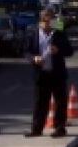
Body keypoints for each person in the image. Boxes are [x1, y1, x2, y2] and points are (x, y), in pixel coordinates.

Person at [26, 8, 75, 138]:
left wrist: (58, 49)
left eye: (50, 20)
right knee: (40, 102)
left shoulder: (59, 33)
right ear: (40, 21)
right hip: (41, 74)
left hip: (57, 74)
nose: (47, 23)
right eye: (45, 20)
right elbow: (27, 52)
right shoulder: (33, 33)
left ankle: (59, 128)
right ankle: (36, 129)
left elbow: (70, 51)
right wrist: (34, 59)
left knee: (60, 102)